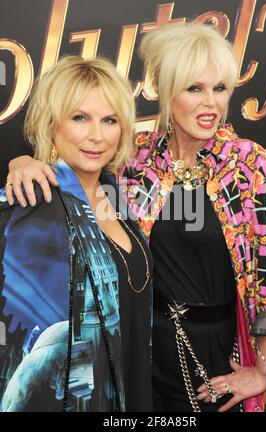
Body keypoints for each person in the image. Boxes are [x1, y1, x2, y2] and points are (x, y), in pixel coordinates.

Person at [5, 23, 266, 412]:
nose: (210, 103)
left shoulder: (252, 168)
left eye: (220, 88)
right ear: (165, 89)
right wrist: (23, 161)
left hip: (214, 354)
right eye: (194, 88)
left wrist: (265, 369)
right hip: (140, 348)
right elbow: (78, 166)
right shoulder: (138, 160)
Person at [0, 56, 153, 412]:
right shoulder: (32, 204)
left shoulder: (115, 196)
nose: (97, 136)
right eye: (80, 118)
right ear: (52, 124)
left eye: (109, 120)